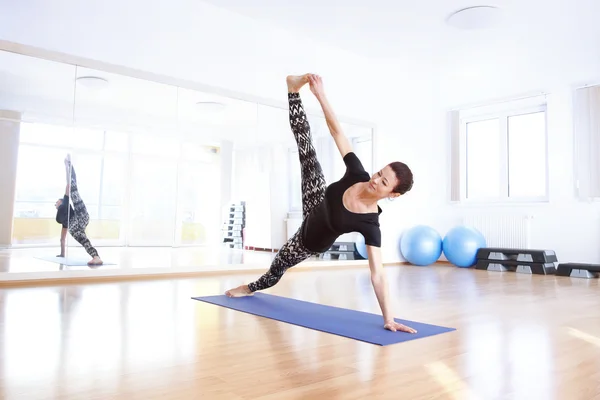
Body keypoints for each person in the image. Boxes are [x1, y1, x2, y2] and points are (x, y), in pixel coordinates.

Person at [225, 74, 417, 334]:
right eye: (378, 173)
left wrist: (389, 318)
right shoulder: (358, 174)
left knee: (277, 268)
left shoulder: (370, 223)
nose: (375, 180)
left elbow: (378, 274)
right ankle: (293, 91)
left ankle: (250, 288)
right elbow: (337, 131)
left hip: (310, 240)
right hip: (316, 201)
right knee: (308, 153)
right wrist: (320, 94)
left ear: (393, 194)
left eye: (383, 183)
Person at [55, 154, 103, 266]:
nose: (55, 203)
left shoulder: (65, 204)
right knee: (85, 241)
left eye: (57, 201)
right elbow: (62, 239)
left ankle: (70, 164)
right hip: (74, 227)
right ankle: (96, 257)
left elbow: (70, 186)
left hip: (80, 218)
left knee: (74, 192)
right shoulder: (63, 220)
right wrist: (62, 254)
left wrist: (67, 167)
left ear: (61, 202)